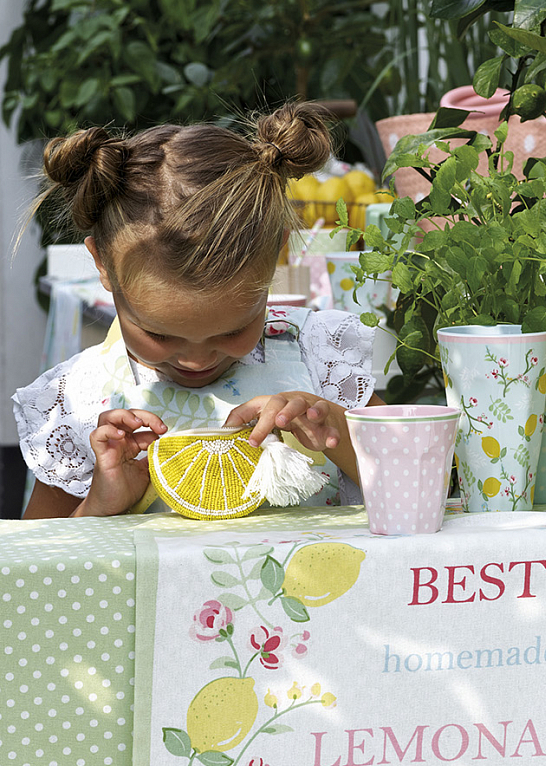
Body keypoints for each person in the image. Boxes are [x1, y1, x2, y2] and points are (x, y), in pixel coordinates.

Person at [13, 101, 383, 518]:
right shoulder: (77, 404)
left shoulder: (320, 359)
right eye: (159, 334)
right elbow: (39, 551)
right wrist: (98, 505)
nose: (196, 359)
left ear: (276, 259)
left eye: (232, 331)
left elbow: (419, 492)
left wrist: (335, 427)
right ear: (102, 264)